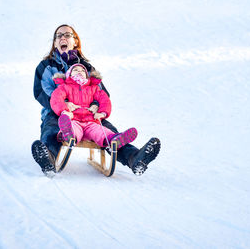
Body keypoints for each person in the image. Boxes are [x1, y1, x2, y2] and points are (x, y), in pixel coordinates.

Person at [32, 24, 161, 176]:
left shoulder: (86, 68)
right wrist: (63, 106)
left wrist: (95, 106)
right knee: (52, 127)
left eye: (67, 35)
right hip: (58, 112)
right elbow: (40, 91)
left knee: (109, 132)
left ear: (75, 42)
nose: (62, 38)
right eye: (58, 36)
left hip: (88, 115)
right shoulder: (46, 66)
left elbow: (101, 93)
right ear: (54, 43)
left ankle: (134, 158)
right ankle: (49, 157)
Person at [50, 63, 138, 149]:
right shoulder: (65, 87)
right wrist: (64, 111)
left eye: (82, 71)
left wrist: (102, 113)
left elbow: (104, 100)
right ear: (69, 74)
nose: (79, 72)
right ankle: (68, 134)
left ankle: (114, 140)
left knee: (99, 131)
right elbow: (56, 98)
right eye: (75, 70)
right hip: (73, 119)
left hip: (91, 121)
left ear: (86, 75)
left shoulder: (93, 88)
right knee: (73, 128)